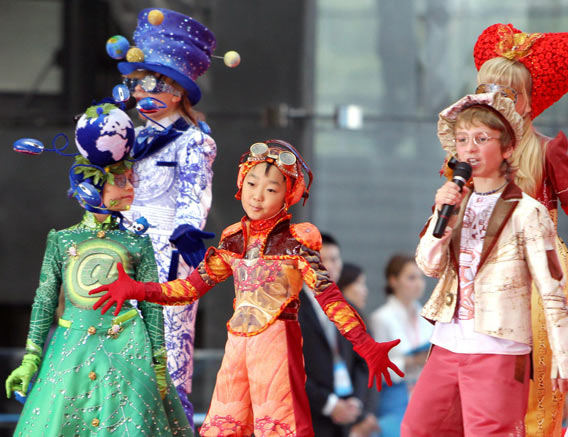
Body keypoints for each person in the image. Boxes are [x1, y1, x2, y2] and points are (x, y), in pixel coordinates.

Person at [90, 140, 403, 436]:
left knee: (279, 428)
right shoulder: (234, 239)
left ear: (288, 194)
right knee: (220, 428)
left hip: (277, 344)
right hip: (237, 346)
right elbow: (189, 288)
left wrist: (365, 344)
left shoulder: (297, 240)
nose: (257, 196)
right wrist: (137, 289)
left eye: (270, 189)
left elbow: (329, 298)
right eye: (252, 184)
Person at [5, 104, 193, 435]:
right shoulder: (62, 241)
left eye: (131, 179)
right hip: (70, 352)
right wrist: (30, 357)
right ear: (91, 187)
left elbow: (151, 305)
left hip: (129, 356)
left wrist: (159, 364)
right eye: (121, 181)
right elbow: (45, 300)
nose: (131, 187)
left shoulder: (138, 242)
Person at [401, 91, 568, 436]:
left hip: (498, 347)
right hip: (448, 342)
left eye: (481, 139)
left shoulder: (528, 212)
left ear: (508, 148)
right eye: (462, 140)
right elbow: (427, 265)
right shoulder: (453, 202)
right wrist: (442, 219)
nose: (469, 148)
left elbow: (551, 288)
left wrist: (565, 357)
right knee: (418, 428)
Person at [473, 23, 568, 435]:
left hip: (540, 277)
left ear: (529, 102)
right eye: (487, 89)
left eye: (508, 93)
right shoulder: (467, 149)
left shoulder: (547, 152)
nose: (495, 100)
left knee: (538, 385)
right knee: (478, 386)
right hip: (481, 276)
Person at [113, 8, 218, 424]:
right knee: (116, 346)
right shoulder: (129, 137)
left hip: (166, 253)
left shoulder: (195, 141)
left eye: (151, 82)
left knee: (165, 354)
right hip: (120, 246)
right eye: (135, 83)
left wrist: (187, 230)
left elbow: (195, 194)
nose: (141, 92)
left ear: (177, 90)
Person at [299, 236, 379, 437]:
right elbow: (287, 367)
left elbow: (365, 360)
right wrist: (329, 404)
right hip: (306, 413)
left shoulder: (349, 309)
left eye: (335, 259)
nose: (330, 266)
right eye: (322, 259)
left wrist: (356, 402)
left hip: (345, 414)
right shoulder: (291, 309)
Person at [370, 254, 433, 436]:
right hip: (395, 397)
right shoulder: (381, 318)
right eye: (411, 278)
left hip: (424, 393)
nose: (418, 283)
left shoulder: (427, 317)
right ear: (393, 281)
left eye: (420, 277)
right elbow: (377, 368)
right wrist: (410, 361)